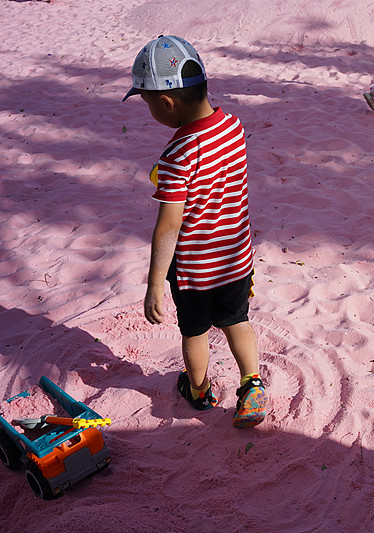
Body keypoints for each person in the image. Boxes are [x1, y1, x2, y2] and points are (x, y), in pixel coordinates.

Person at [123, 35, 268, 428]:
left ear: (165, 102)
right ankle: (252, 384)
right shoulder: (233, 126)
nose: (148, 107)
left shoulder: (175, 155)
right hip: (237, 257)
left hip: (195, 271)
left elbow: (169, 224)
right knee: (237, 320)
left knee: (196, 332)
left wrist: (155, 282)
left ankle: (200, 391)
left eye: (146, 100)